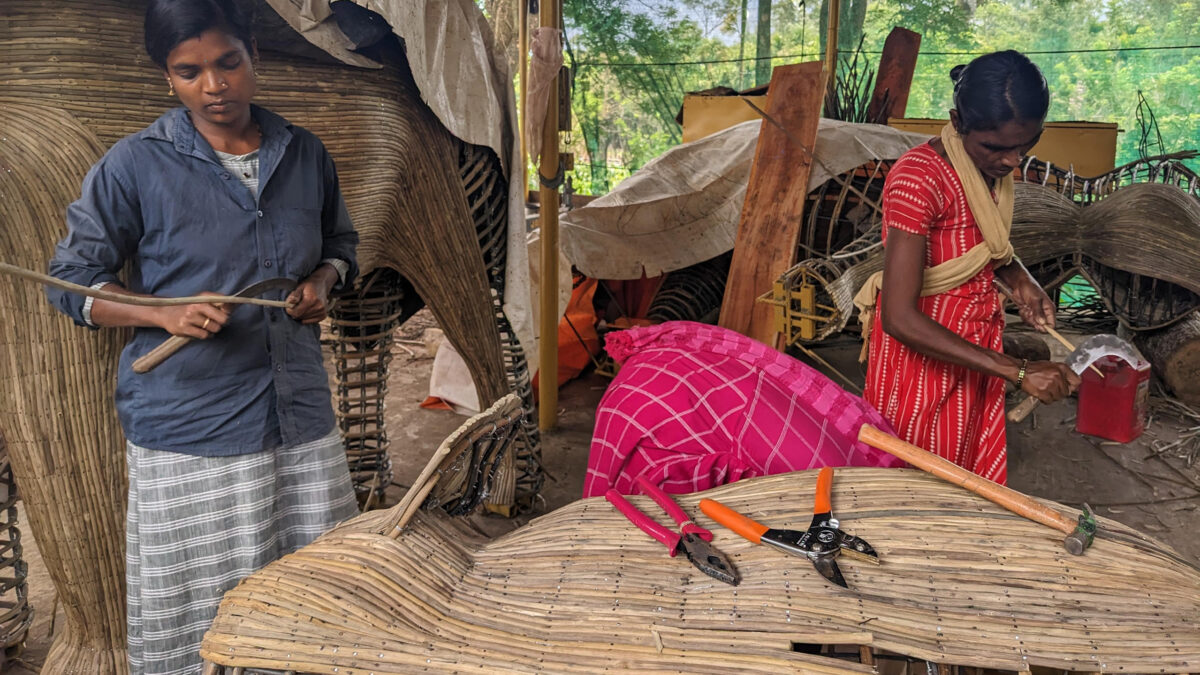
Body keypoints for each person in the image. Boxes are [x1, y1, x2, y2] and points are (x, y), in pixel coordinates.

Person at [45, 1, 359, 672]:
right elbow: (68, 282)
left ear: (254, 55)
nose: (214, 86)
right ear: (167, 77)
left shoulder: (304, 154)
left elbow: (341, 243)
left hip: (299, 419)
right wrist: (160, 313)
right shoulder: (134, 165)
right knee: (202, 618)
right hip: (193, 431)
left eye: (227, 63)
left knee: (312, 597)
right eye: (189, 72)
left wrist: (325, 281)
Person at [854, 50, 1079, 485]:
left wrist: (1021, 280)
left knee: (965, 475)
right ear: (957, 122)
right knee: (917, 481)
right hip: (922, 360)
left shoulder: (988, 169)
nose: (1014, 160)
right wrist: (1016, 370)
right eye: (997, 147)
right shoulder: (921, 178)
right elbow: (898, 317)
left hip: (975, 350)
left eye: (1026, 145)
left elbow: (983, 248)